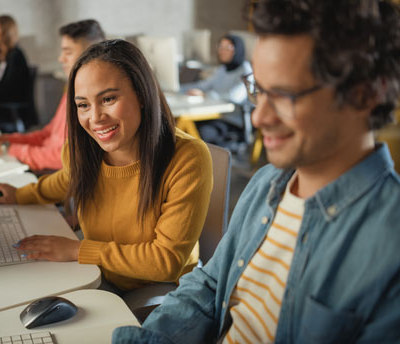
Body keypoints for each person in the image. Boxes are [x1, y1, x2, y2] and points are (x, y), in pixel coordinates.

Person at [113, 0, 400, 342]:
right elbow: (210, 285)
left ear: (366, 93)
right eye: (260, 90)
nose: (258, 117)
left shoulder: (390, 245)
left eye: (284, 95)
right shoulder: (265, 184)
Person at [0, 40, 213, 302]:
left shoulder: (187, 157)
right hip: (99, 273)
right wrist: (19, 195)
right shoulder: (84, 149)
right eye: (83, 105)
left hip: (159, 290)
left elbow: (165, 261)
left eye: (108, 99)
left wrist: (78, 250)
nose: (95, 118)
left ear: (141, 95)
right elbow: (63, 181)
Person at [0, 19, 105, 172]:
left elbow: (60, 158)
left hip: (56, 177)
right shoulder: (72, 90)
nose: (61, 58)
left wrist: (5, 147)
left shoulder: (92, 103)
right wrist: (3, 140)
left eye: (68, 52)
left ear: (92, 54)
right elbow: (48, 135)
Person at [182, 34, 253, 148]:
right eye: (220, 46)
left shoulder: (246, 70)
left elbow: (235, 96)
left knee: (201, 131)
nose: (222, 51)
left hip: (232, 122)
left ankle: (209, 162)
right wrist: (178, 88)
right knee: (184, 126)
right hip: (215, 116)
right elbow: (203, 85)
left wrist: (205, 95)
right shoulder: (223, 69)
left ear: (238, 50)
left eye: (228, 47)